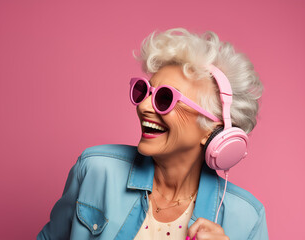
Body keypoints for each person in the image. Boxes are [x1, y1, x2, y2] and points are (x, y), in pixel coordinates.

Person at [37, 28, 268, 240]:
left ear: (211, 127)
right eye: (144, 91)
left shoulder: (247, 218)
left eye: (165, 99)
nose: (144, 106)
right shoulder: (95, 170)